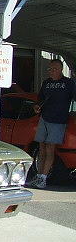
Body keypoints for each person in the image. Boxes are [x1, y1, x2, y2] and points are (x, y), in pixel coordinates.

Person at [28, 58, 76, 188]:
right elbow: (40, 99)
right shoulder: (46, 83)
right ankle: (39, 176)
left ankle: (43, 178)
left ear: (60, 69)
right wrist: (37, 106)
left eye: (54, 69)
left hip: (58, 120)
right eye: (50, 69)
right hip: (44, 118)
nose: (51, 71)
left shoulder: (68, 83)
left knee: (50, 148)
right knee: (41, 147)